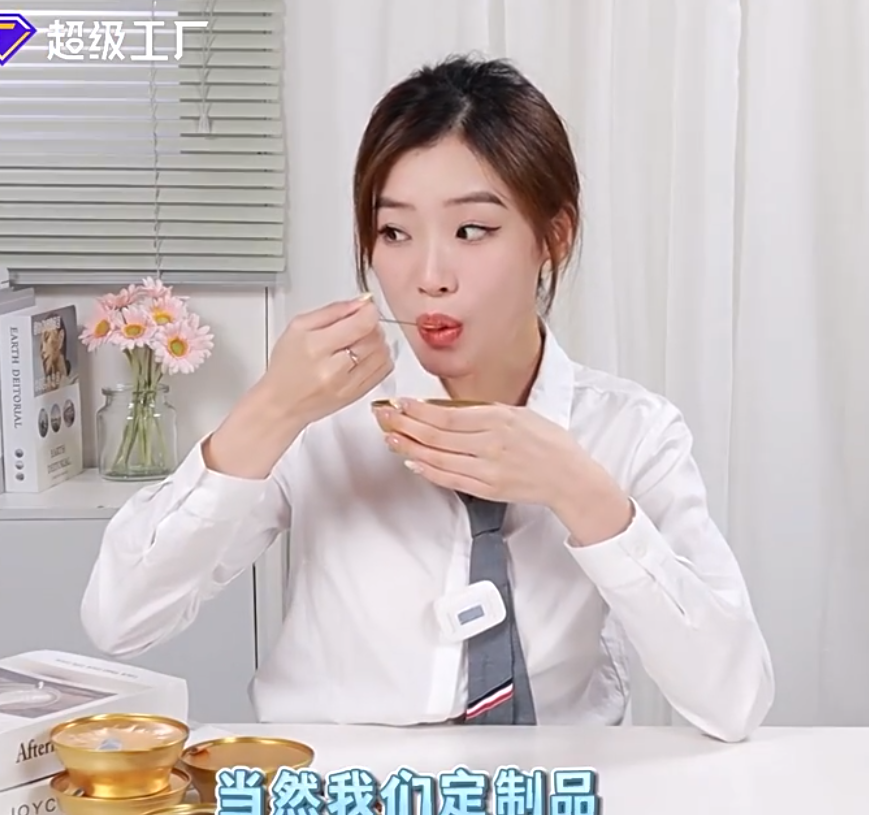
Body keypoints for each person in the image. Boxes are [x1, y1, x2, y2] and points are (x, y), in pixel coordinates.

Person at [81, 55, 774, 741]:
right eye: (394, 233)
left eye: (472, 231)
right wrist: (271, 410)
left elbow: (734, 700)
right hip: (340, 789)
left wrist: (581, 493)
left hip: (551, 791)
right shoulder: (323, 417)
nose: (429, 276)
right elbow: (120, 620)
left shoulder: (632, 431)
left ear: (554, 237)